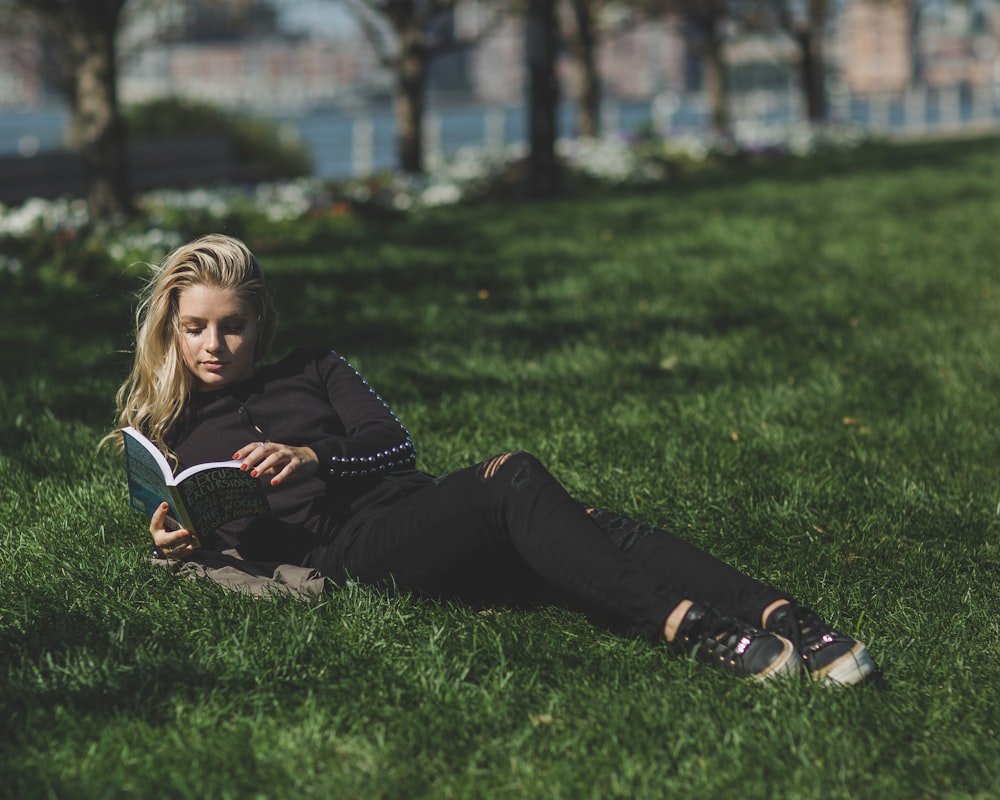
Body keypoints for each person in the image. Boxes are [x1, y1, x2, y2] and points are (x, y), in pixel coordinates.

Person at [104, 233, 876, 686]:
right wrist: (179, 541)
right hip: (346, 555)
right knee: (514, 477)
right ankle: (690, 628)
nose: (214, 346)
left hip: (411, 509)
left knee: (591, 525)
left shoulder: (316, 366)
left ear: (259, 323)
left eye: (231, 326)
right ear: (172, 328)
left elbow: (394, 444)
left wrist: (313, 455)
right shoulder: (167, 424)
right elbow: (188, 520)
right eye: (196, 327)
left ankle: (787, 619)